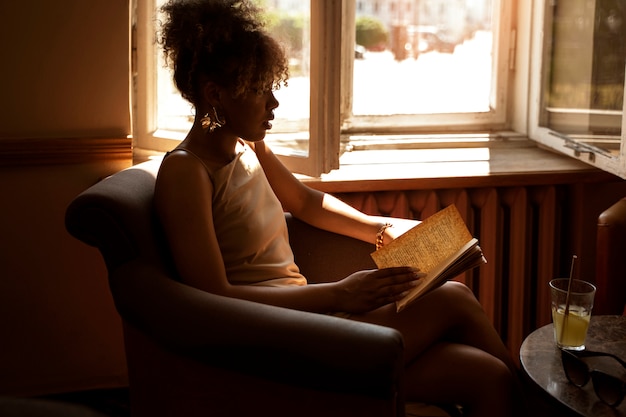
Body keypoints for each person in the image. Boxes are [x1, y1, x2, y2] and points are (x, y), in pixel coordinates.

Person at [154, 1, 526, 416]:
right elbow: (214, 297)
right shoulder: (185, 172)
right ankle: (543, 409)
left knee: (490, 377)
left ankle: (533, 406)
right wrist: (342, 291)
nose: (273, 103)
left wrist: (381, 229)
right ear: (214, 94)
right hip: (274, 339)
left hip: (313, 316)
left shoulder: (249, 146)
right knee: (454, 297)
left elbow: (305, 202)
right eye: (260, 89)